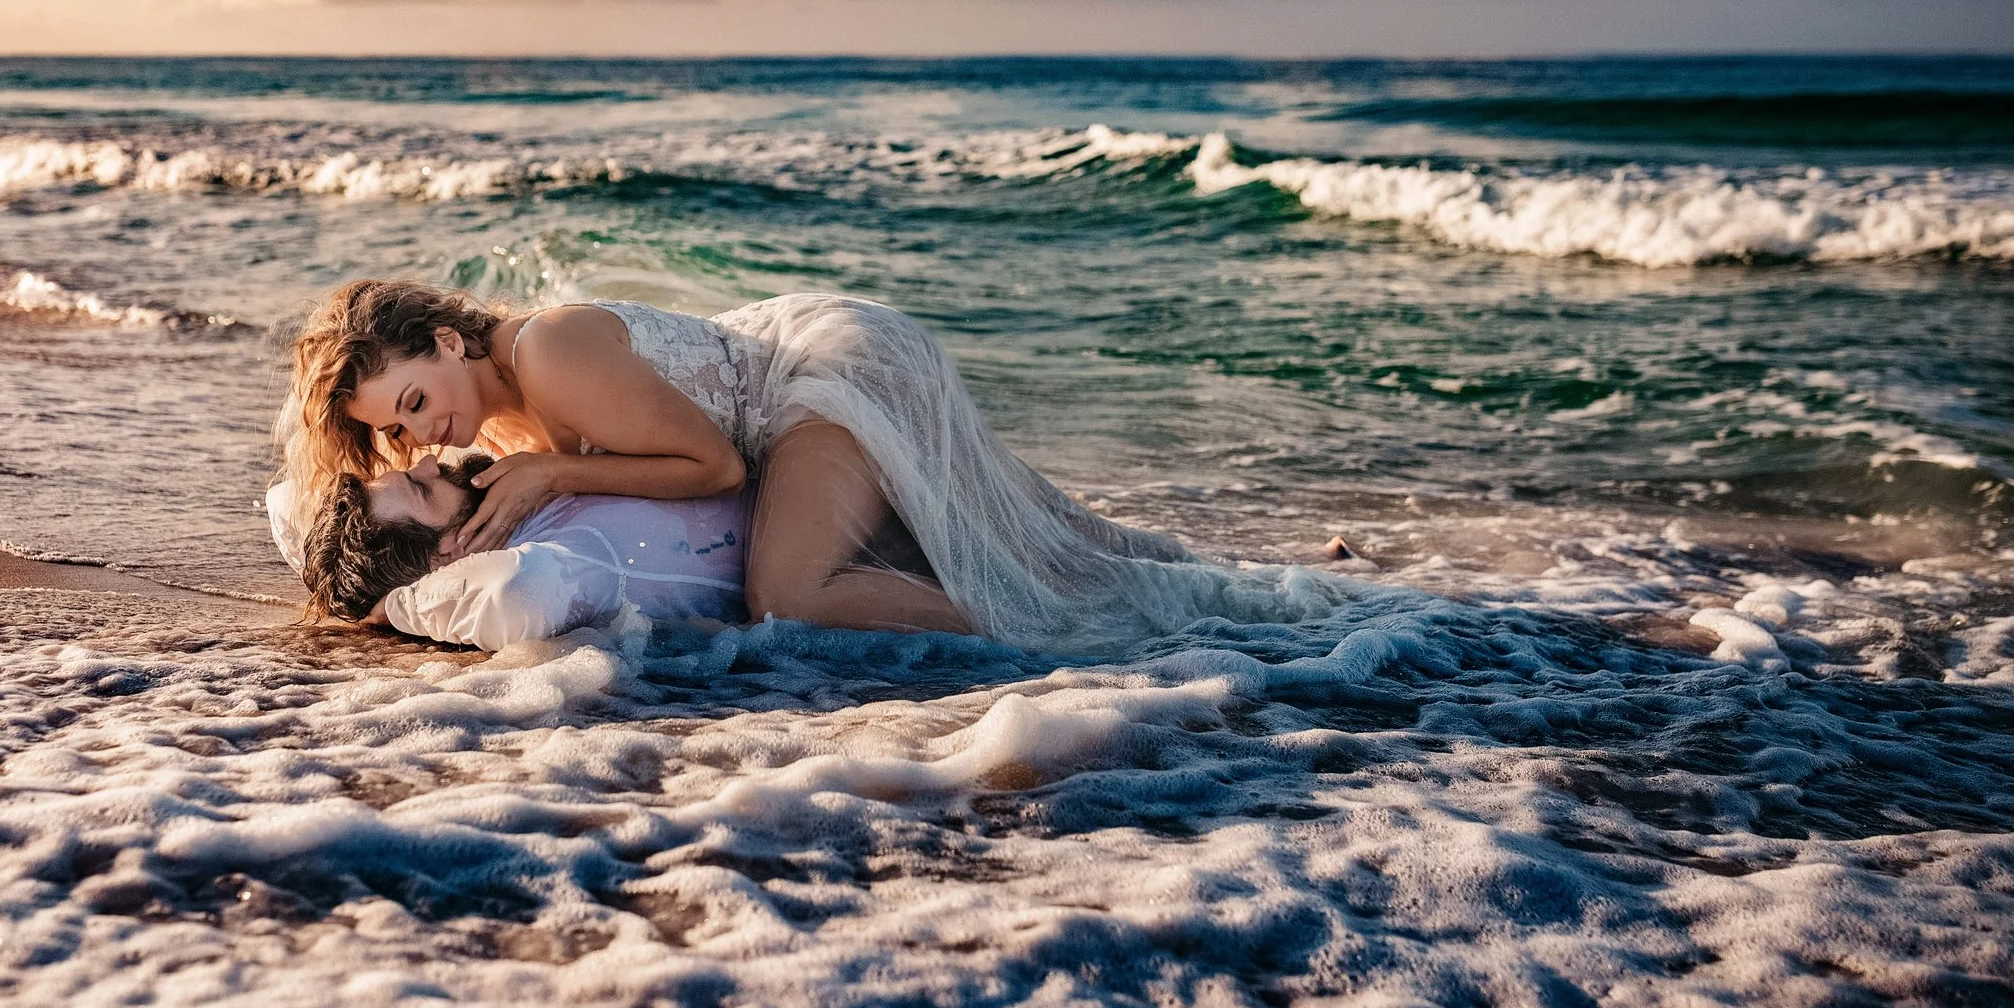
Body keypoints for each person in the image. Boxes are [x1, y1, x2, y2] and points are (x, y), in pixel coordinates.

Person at [274, 282, 1351, 657]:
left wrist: (556, 472)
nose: (421, 437)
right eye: (397, 436)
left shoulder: (542, 354)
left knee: (789, 590)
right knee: (1064, 537)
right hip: (790, 393)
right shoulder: (502, 435)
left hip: (821, 374)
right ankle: (1237, 577)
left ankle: (1045, 642)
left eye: (414, 399)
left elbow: (706, 464)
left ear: (449, 341)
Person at [284, 454, 751, 649]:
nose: (429, 462)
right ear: (443, 560)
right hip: (811, 532)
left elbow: (281, 501)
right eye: (420, 488)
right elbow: (518, 592)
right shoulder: (567, 560)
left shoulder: (513, 500)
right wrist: (399, 606)